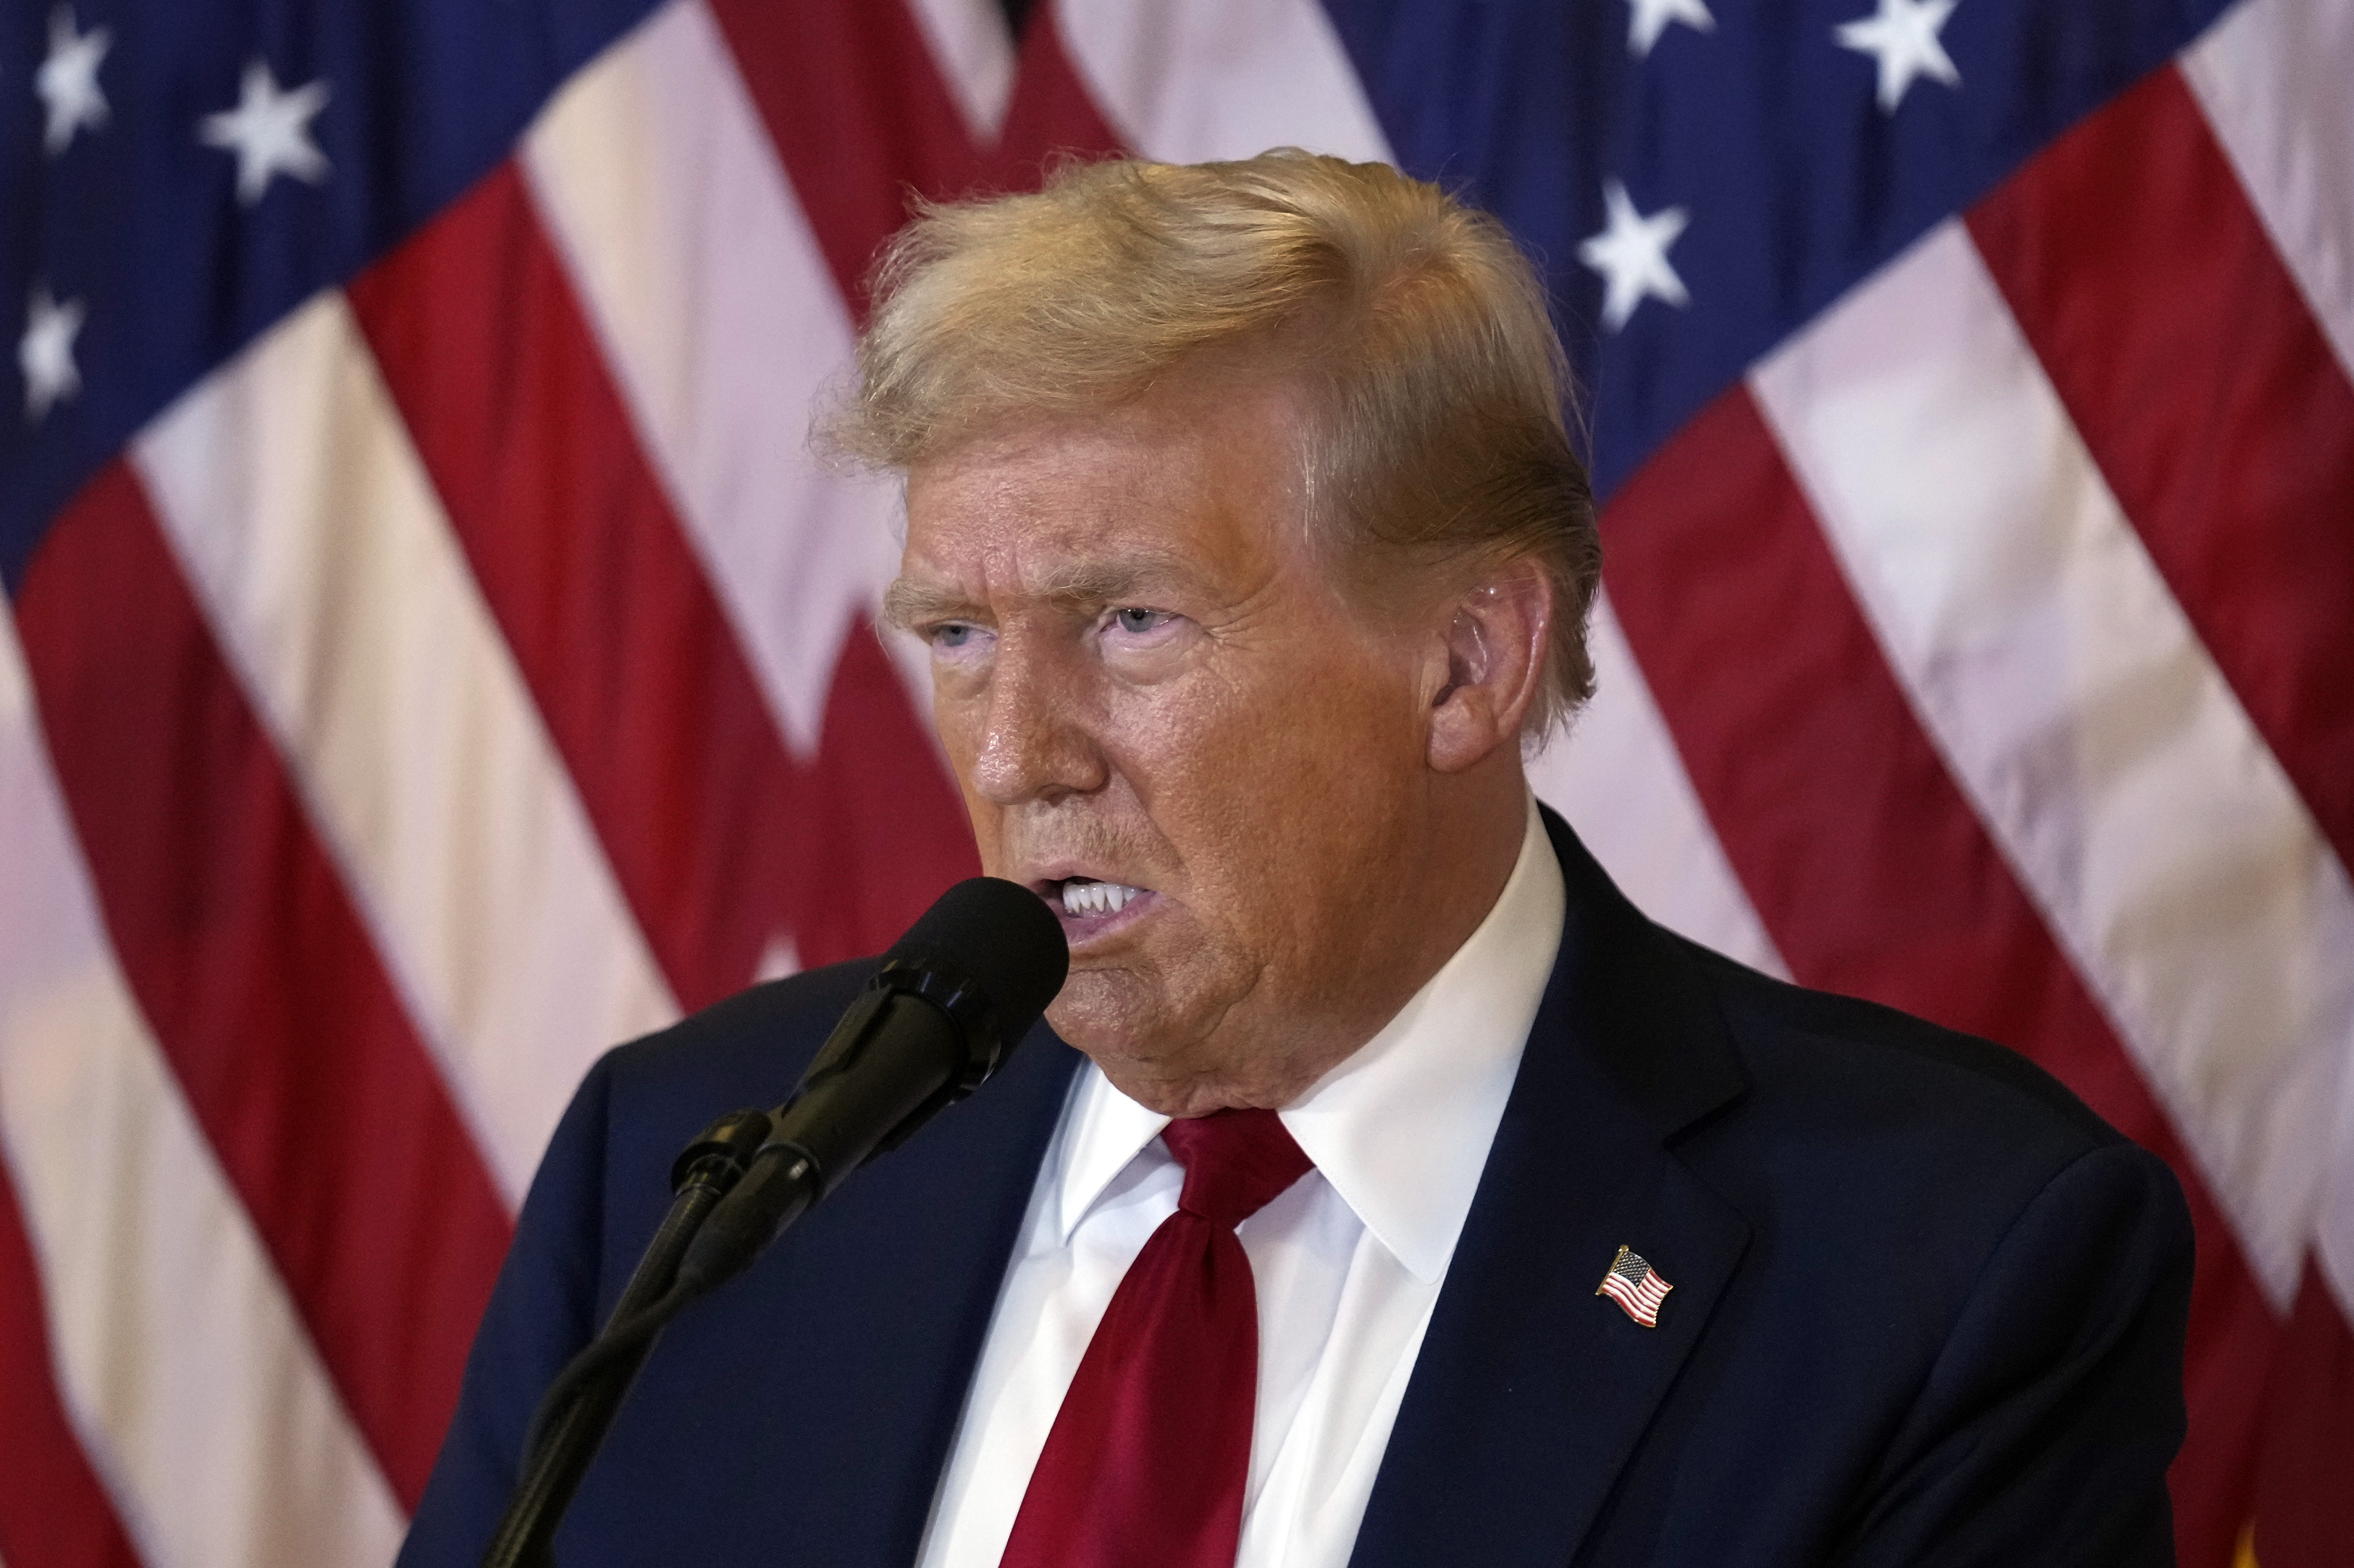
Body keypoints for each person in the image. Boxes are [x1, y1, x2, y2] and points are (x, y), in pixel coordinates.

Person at [398, 151, 2192, 1568]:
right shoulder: (691, 1175)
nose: (1018, 753)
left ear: (1466, 662)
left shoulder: (1935, 1271)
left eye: (1130, 621)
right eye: (955, 633)